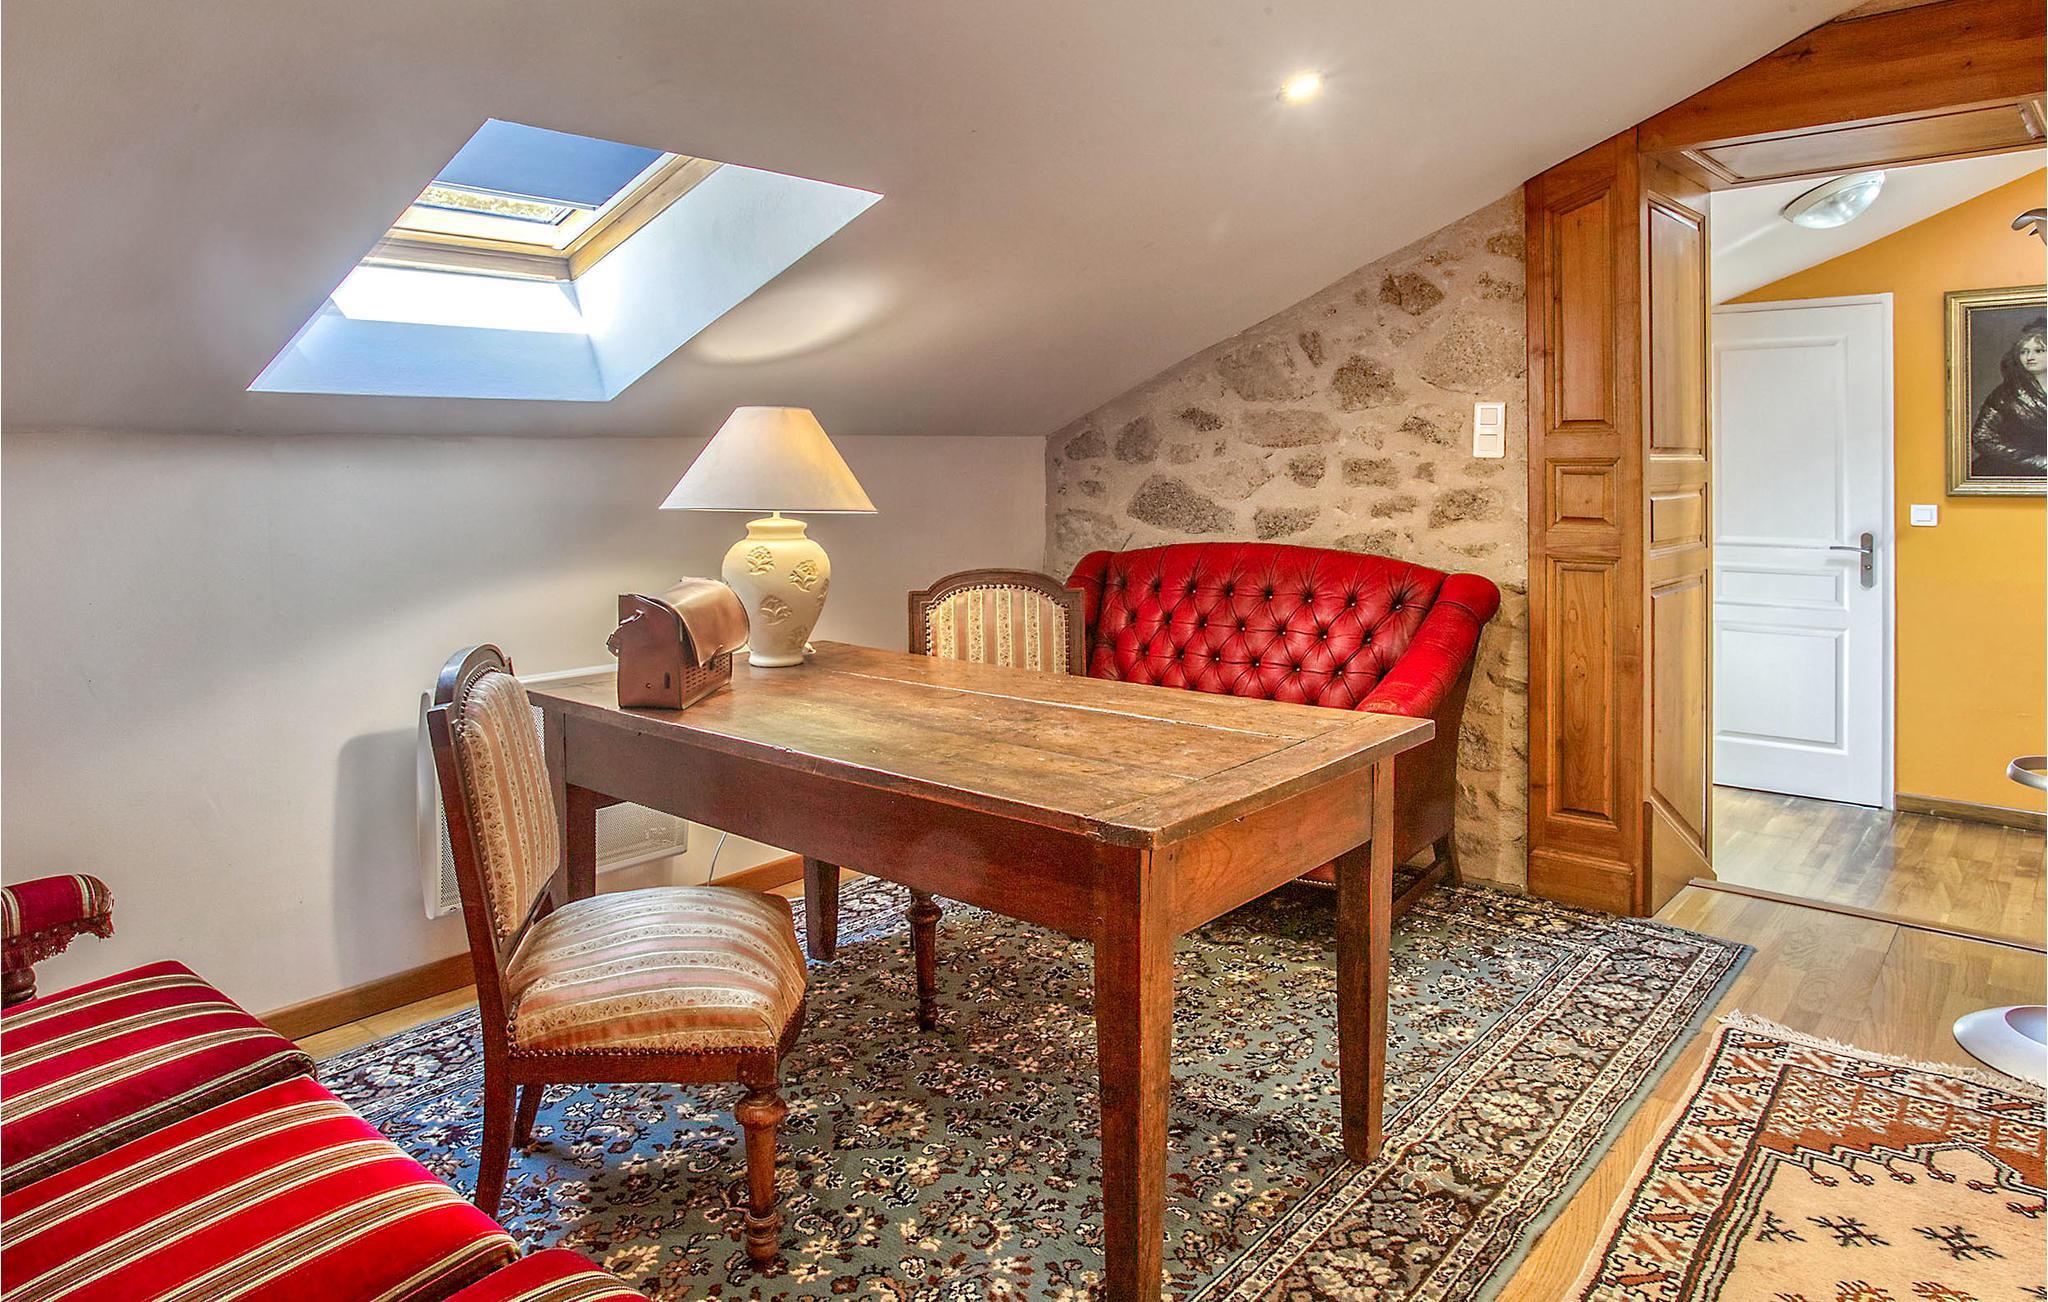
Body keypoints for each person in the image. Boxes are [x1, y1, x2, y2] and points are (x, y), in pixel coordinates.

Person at [1970, 317, 2047, 479]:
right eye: (2024, 351)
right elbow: (1982, 438)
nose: (2029, 357)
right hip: (2010, 472)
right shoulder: (2005, 394)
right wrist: (2038, 461)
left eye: (2039, 351)